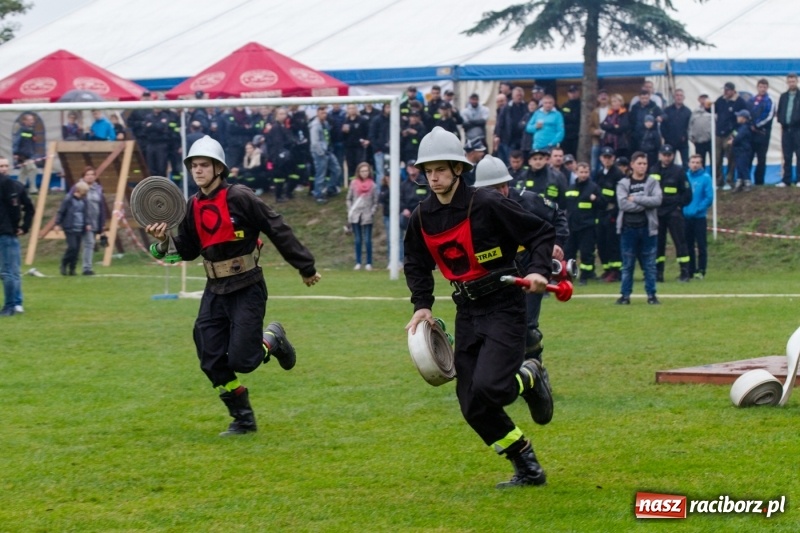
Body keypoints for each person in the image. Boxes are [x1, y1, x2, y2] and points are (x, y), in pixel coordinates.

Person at [403, 127, 556, 488]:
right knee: (472, 403)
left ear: (458, 169)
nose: (434, 177)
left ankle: (531, 374)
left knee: (493, 389)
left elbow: (540, 232)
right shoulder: (421, 217)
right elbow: (414, 261)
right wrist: (422, 305)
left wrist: (537, 270)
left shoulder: (487, 203)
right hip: (467, 311)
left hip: (504, 305)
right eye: (428, 171)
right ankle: (527, 466)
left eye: (441, 169)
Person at [145, 136, 321, 436]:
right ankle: (243, 419)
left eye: (204, 165)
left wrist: (305, 266)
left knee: (244, 360)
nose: (198, 171)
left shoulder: (240, 196)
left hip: (247, 286)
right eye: (194, 166)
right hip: (214, 290)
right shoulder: (192, 205)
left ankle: (272, 340)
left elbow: (276, 226)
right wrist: (162, 242)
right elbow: (187, 249)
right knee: (210, 359)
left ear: (218, 168)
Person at [473, 154, 568, 363]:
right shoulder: (472, 210)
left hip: (528, 268)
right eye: (492, 189)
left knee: (527, 326)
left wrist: (556, 243)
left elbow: (557, 215)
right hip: (495, 274)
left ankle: (536, 369)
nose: (500, 193)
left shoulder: (528, 200)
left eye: (503, 186)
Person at [616, 152, 662, 305]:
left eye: (645, 163)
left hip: (648, 229)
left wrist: (636, 199)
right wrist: (644, 203)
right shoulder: (623, 183)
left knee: (649, 265)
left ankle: (651, 295)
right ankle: (625, 296)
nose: (642, 166)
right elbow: (623, 204)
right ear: (632, 164)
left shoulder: (652, 182)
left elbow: (657, 200)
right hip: (628, 229)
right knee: (627, 265)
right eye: (639, 163)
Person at [650, 145, 692, 282]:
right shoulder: (653, 170)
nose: (667, 157)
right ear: (660, 155)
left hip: (674, 212)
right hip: (657, 212)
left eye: (669, 155)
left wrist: (679, 206)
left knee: (680, 242)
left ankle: (685, 272)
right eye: (664, 154)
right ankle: (658, 273)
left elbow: (687, 193)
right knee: (658, 244)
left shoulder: (679, 171)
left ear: (673, 156)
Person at [0, 157, 33, 316]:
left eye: (6, 166)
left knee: (9, 271)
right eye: (1, 166)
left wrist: (23, 227)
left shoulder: (15, 186)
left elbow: (28, 208)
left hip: (6, 234)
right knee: (10, 270)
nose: (4, 169)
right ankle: (16, 303)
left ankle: (12, 304)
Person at [564, 162, 601, 285]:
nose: (584, 175)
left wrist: (596, 200)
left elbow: (603, 204)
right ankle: (569, 275)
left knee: (586, 253)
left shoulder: (594, 187)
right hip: (571, 226)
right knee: (569, 252)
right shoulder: (570, 188)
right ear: (576, 173)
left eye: (586, 172)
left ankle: (585, 276)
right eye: (581, 172)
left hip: (587, 226)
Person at [594, 146, 624, 282]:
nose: (607, 160)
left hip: (612, 213)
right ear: (601, 158)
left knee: (613, 243)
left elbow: (620, 196)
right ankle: (606, 269)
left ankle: (615, 271)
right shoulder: (599, 173)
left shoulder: (618, 175)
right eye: (605, 157)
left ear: (613, 158)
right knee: (601, 243)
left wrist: (614, 212)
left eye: (609, 157)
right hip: (601, 212)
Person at [683, 155, 713, 279]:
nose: (695, 164)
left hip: (699, 217)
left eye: (698, 162)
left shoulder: (706, 178)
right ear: (688, 163)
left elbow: (709, 197)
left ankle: (701, 270)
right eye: (693, 162)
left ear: (701, 164)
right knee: (688, 244)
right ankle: (690, 270)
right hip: (686, 216)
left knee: (701, 244)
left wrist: (698, 209)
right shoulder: (685, 176)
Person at [714, 82, 747, 190]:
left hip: (730, 133)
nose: (725, 92)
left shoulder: (740, 102)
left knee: (731, 157)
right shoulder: (720, 100)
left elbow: (742, 119)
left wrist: (735, 134)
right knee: (717, 158)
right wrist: (707, 106)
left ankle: (729, 180)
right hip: (719, 133)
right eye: (724, 90)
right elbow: (713, 110)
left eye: (727, 90)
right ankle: (718, 180)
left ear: (733, 91)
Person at [73, 166, 106, 275]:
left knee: (89, 244)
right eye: (88, 174)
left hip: (95, 221)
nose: (90, 176)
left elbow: (101, 206)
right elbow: (72, 203)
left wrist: (102, 224)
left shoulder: (98, 189)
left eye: (92, 174)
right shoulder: (78, 187)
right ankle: (86, 268)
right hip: (82, 221)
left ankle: (81, 266)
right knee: (89, 243)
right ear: (83, 176)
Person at [346, 162, 379, 271]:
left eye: (366, 171)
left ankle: (369, 262)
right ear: (358, 172)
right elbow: (349, 198)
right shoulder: (353, 183)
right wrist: (350, 209)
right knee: (358, 239)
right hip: (356, 215)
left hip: (367, 215)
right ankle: (358, 262)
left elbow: (375, 201)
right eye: (362, 171)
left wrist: (372, 212)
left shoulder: (373, 185)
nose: (364, 173)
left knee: (368, 239)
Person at [54, 181, 90, 276]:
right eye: (84, 191)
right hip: (70, 227)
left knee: (77, 250)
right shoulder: (68, 199)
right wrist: (57, 224)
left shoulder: (84, 201)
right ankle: (64, 263)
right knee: (72, 247)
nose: (85, 194)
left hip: (80, 227)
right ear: (79, 190)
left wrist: (87, 223)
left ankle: (72, 268)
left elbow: (85, 214)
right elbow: (61, 212)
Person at [309, 106, 343, 203]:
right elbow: (314, 142)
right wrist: (321, 153)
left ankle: (329, 189)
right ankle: (318, 194)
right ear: (317, 113)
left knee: (337, 169)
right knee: (321, 174)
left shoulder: (325, 123)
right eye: (322, 112)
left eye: (325, 112)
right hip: (320, 153)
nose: (324, 114)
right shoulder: (315, 125)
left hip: (328, 151)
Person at [748, 79, 774, 186]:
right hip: (750, 134)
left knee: (761, 158)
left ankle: (759, 181)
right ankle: (746, 180)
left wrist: (757, 125)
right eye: (760, 87)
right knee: (748, 157)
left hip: (763, 134)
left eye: (764, 87)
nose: (762, 89)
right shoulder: (751, 100)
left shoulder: (769, 101)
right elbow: (746, 114)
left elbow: (769, 116)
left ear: (767, 88)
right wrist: (750, 125)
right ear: (757, 87)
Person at [776, 72, 800, 187]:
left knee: (799, 154)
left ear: (797, 81)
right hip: (786, 130)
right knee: (787, 155)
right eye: (790, 81)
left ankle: (799, 179)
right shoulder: (783, 96)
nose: (792, 83)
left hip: (798, 130)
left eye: (793, 81)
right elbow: (780, 110)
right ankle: (787, 180)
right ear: (787, 82)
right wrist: (782, 121)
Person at [662, 89, 691, 166]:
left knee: (686, 163)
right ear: (674, 97)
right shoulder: (667, 110)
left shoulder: (688, 111)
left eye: (681, 95)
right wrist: (666, 137)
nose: (679, 97)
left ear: (684, 97)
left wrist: (685, 136)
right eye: (677, 95)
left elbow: (690, 127)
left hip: (683, 142)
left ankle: (684, 177)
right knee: (668, 163)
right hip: (670, 142)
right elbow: (663, 126)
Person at [12, 113, 39, 194]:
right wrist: (15, 153)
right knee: (33, 169)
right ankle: (33, 189)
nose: (32, 121)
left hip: (29, 155)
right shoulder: (22, 130)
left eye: (33, 120)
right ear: (24, 121)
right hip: (23, 155)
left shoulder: (30, 131)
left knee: (23, 172)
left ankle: (19, 188)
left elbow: (31, 143)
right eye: (30, 120)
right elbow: (16, 142)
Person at [342, 104, 370, 179]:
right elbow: (342, 136)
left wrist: (367, 141)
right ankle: (352, 184)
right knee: (350, 166)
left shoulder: (362, 120)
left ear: (356, 109)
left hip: (359, 148)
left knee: (360, 165)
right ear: (347, 110)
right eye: (349, 108)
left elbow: (368, 132)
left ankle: (361, 183)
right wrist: (343, 132)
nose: (351, 110)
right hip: (349, 148)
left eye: (353, 108)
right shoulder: (345, 121)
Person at [730, 109, 754, 192]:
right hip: (738, 150)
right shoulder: (740, 127)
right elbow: (734, 133)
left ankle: (747, 183)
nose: (737, 117)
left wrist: (733, 141)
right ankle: (739, 182)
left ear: (743, 118)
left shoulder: (745, 128)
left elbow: (738, 137)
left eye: (739, 116)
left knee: (743, 166)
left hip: (743, 150)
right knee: (739, 166)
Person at [600, 94, 630, 158]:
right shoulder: (610, 113)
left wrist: (609, 127)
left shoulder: (624, 113)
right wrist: (613, 126)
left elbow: (622, 128)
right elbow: (602, 125)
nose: (613, 103)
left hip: (620, 144)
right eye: (612, 102)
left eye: (615, 101)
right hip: (608, 142)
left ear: (620, 102)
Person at [689, 94, 712, 167]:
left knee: (714, 161)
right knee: (700, 161)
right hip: (699, 141)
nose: (703, 100)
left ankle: (716, 177)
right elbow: (690, 125)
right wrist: (691, 137)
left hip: (710, 140)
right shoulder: (695, 111)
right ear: (699, 99)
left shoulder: (713, 110)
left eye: (705, 98)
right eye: (702, 98)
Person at [560, 85, 581, 158]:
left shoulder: (582, 105)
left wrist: (568, 116)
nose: (573, 94)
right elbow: (562, 118)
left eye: (575, 92)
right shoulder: (565, 105)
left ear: (578, 93)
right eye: (571, 92)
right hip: (566, 136)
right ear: (568, 94)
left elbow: (577, 119)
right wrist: (571, 117)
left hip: (577, 136)